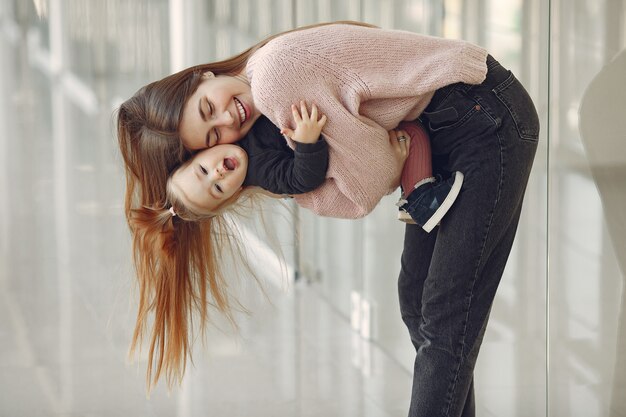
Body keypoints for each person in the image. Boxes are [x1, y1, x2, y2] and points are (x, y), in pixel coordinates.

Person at [118, 21, 539, 417]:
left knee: (446, 316)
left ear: (202, 77)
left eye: (209, 107)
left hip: (484, 117)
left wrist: (374, 166)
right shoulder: (262, 132)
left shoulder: (273, 78)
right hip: (445, 131)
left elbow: (370, 179)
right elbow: (351, 179)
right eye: (212, 135)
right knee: (416, 301)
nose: (228, 119)